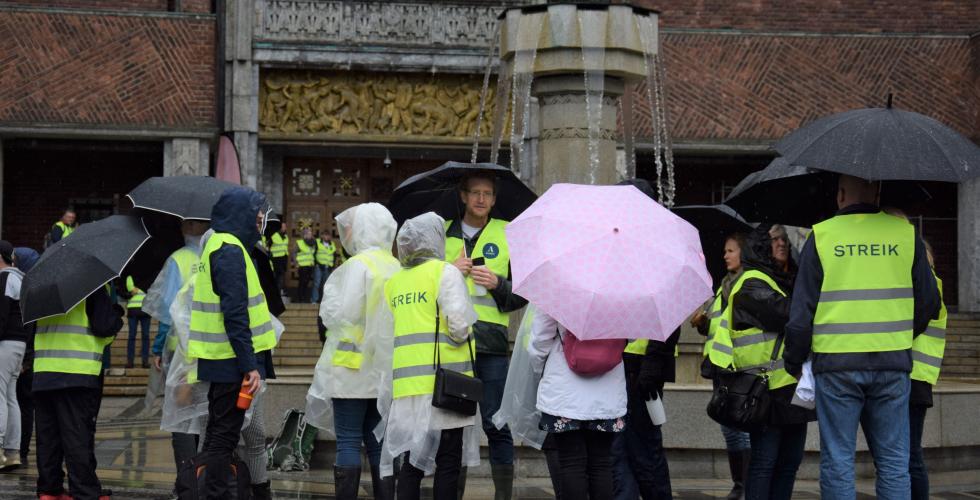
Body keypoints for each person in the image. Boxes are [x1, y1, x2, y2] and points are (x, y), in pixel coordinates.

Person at [783, 174, 941, 498]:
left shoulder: (823, 235)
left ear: (840, 194)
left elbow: (801, 314)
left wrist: (794, 360)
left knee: (839, 460)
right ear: (878, 191)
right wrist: (900, 335)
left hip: (836, 365)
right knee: (895, 461)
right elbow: (929, 302)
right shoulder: (906, 235)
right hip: (892, 362)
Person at [378, 212, 479, 500]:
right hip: (445, 385)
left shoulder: (395, 282)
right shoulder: (444, 272)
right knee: (448, 462)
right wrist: (472, 330)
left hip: (408, 389)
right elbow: (459, 327)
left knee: (412, 464)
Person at [709, 225, 812, 500]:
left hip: (789, 387)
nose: (782, 245)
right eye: (774, 240)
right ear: (760, 248)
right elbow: (791, 315)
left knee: (789, 462)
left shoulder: (781, 280)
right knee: (765, 462)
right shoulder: (752, 282)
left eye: (784, 239)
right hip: (765, 391)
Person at [188, 187, 277, 499]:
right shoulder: (228, 249)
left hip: (223, 359)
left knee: (218, 433)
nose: (259, 223)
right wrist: (249, 365)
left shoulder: (222, 245)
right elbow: (235, 312)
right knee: (224, 437)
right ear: (240, 215)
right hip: (230, 362)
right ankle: (213, 494)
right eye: (255, 217)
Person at [306, 203, 400, 500]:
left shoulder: (354, 267)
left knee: (347, 440)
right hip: (386, 368)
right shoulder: (397, 266)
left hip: (350, 365)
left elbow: (336, 314)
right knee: (377, 441)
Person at [445, 173, 527, 499]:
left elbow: (522, 293)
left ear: (494, 200)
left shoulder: (507, 233)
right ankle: (450, 492)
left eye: (487, 194)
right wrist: (448, 269)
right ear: (463, 196)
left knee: (496, 422)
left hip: (491, 344)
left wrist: (499, 284)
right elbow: (423, 285)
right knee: (453, 427)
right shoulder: (443, 234)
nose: (481, 199)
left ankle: (503, 495)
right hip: (452, 343)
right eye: (475, 193)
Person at [34, 283, 123, 500]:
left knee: (49, 437)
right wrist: (117, 316)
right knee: (77, 436)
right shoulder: (91, 286)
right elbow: (103, 328)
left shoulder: (43, 290)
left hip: (44, 371)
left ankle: (49, 489)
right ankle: (84, 491)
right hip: (76, 372)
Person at [527, 311, 627, 500]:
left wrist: (541, 370)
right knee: (601, 463)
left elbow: (539, 340)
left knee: (571, 462)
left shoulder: (558, 286)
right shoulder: (621, 288)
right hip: (608, 391)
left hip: (564, 390)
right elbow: (630, 334)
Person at [143, 220, 209, 494]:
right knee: (205, 417)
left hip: (181, 350)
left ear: (186, 229)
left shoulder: (178, 260)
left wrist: (158, 347)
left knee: (181, 418)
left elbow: (167, 309)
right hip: (213, 349)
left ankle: (186, 482)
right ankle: (205, 479)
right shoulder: (217, 257)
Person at [691, 233, 751, 500]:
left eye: (730, 251)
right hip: (720, 367)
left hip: (737, 368)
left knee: (739, 429)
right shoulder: (723, 286)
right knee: (730, 430)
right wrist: (703, 322)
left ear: (744, 253)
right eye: (725, 251)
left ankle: (744, 486)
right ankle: (740, 485)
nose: (725, 255)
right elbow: (718, 327)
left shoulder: (745, 284)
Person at [612, 329, 677, 500]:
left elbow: (667, 326)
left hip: (641, 371)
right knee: (620, 449)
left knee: (644, 452)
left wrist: (652, 367)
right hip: (623, 368)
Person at [0, 241, 27, 469]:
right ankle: (12, 452)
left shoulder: (4, 278)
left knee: (0, 395)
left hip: (5, 343)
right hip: (19, 344)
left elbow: (1, 315)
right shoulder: (20, 278)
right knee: (10, 397)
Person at [12, 247, 38, 468]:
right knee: (23, 405)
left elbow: (30, 330)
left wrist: (26, 361)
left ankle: (19, 449)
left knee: (22, 405)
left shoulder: (25, 292)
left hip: (25, 361)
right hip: (27, 359)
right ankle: (20, 449)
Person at [124, 275, 150, 369]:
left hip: (145, 310)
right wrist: (131, 293)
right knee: (132, 336)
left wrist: (137, 290)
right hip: (133, 311)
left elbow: (152, 290)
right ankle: (130, 361)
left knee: (145, 336)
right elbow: (126, 291)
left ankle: (145, 361)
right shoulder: (129, 276)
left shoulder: (149, 277)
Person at [311, 231, 337, 303]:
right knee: (317, 283)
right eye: (325, 235)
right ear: (322, 236)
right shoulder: (318, 242)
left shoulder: (332, 244)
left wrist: (332, 266)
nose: (327, 237)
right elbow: (313, 253)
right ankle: (314, 300)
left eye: (328, 235)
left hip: (328, 267)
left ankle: (324, 301)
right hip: (319, 266)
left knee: (326, 285)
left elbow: (334, 256)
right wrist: (317, 263)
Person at [294, 227, 316, 303]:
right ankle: (300, 298)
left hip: (310, 266)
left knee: (306, 283)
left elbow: (313, 254)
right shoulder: (300, 242)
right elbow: (294, 253)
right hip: (302, 266)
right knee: (302, 282)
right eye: (308, 234)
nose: (310, 235)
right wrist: (296, 263)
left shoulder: (313, 243)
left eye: (311, 233)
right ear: (304, 235)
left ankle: (304, 298)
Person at [269, 222, 289, 294]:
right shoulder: (274, 236)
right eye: (283, 227)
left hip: (283, 259)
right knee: (276, 276)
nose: (285, 228)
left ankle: (278, 292)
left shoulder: (286, 236)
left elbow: (285, 247)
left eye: (285, 227)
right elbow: (268, 246)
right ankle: (275, 292)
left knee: (281, 276)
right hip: (275, 259)